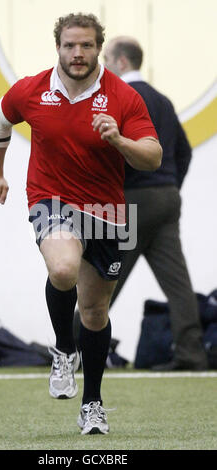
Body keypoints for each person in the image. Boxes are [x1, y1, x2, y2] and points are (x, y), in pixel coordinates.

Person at [0, 14, 161, 435]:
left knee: (95, 312)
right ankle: (64, 350)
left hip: (108, 208)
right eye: (69, 46)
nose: (76, 54)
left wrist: (118, 140)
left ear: (99, 48)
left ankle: (92, 405)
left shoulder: (124, 97)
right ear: (57, 47)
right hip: (51, 198)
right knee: (62, 269)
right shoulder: (32, 89)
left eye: (85, 46)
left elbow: (152, 158)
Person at [104, 36, 208, 371]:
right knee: (177, 282)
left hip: (133, 199)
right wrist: (170, 184)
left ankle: (74, 347)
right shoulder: (162, 100)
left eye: (106, 59)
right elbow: (185, 150)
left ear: (121, 62)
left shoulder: (119, 97)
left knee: (105, 275)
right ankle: (191, 354)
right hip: (166, 197)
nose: (102, 66)